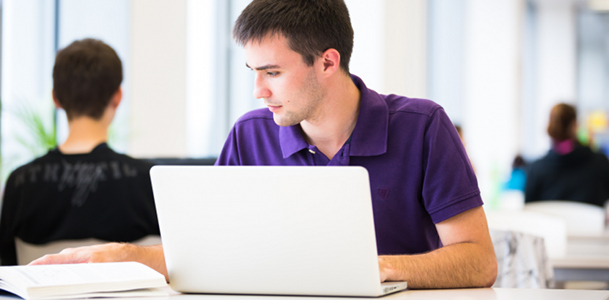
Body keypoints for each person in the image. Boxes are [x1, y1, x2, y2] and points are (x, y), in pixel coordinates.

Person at [30, 0, 497, 289]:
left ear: (328, 62)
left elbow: (478, 261)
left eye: (272, 72)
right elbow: (207, 254)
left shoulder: (423, 127)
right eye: (253, 72)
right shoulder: (249, 135)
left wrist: (373, 269)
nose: (259, 91)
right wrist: (133, 256)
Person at [0, 39, 160, 265]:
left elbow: (6, 270)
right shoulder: (149, 182)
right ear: (117, 96)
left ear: (56, 98)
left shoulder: (20, 184)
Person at [525, 103, 609, 207]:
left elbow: (529, 211)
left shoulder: (536, 170)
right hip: (589, 223)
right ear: (575, 125)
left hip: (550, 222)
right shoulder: (600, 163)